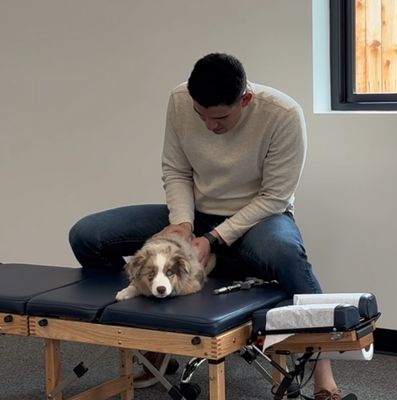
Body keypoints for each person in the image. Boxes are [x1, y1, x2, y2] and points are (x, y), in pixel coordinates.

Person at [69, 53, 342, 400]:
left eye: (221, 118)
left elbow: (275, 196)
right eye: (203, 116)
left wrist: (213, 239)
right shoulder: (180, 100)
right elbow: (176, 170)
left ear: (245, 99)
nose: (210, 127)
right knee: (87, 236)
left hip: (259, 218)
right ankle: (154, 337)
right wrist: (182, 225)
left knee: (286, 254)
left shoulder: (283, 114)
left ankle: (322, 369)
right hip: (195, 214)